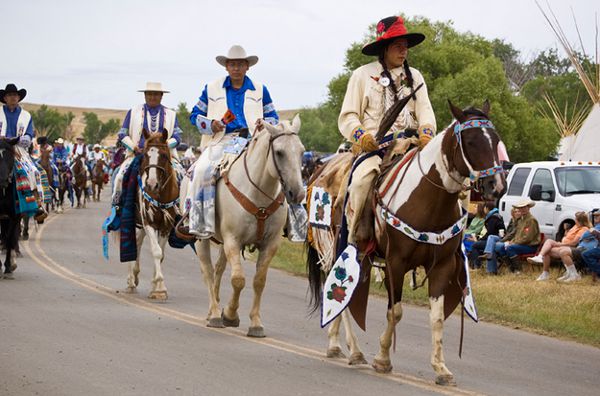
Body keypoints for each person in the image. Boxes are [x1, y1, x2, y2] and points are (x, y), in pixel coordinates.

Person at [338, 16, 436, 247]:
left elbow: (426, 111)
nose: (404, 52)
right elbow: (348, 114)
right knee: (362, 182)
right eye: (398, 47)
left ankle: (444, 243)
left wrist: (426, 133)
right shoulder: (362, 75)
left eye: (406, 47)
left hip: (410, 146)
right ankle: (355, 239)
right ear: (384, 48)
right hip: (375, 149)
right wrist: (363, 137)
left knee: (444, 178)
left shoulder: (416, 77)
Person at [185, 45, 279, 238]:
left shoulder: (261, 90)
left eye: (240, 64)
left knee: (280, 167)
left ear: (247, 67)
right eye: (232, 64)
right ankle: (195, 220)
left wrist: (264, 123)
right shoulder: (211, 88)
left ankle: (289, 222)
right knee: (202, 170)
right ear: (226, 67)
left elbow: (274, 117)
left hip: (252, 139)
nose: (236, 68)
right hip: (221, 139)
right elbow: (194, 115)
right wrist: (211, 124)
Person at [111, 82, 182, 206]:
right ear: (144, 95)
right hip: (137, 154)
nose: (152, 97)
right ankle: (117, 210)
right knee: (119, 178)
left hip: (165, 157)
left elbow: (177, 137)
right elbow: (122, 134)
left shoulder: (171, 114)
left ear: (161, 96)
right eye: (149, 94)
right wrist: (134, 147)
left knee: (183, 177)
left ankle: (183, 211)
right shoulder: (133, 112)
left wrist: (164, 147)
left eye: (156, 94)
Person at [0, 83, 45, 220]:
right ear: (5, 98)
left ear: (19, 97)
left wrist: (19, 139)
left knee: (33, 171)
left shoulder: (26, 115)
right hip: (0, 146)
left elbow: (29, 135)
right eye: (9, 95)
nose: (12, 97)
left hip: (19, 149)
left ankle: (36, 204)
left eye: (14, 95)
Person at [483, 199, 541, 274]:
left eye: (524, 207)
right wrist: (503, 241)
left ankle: (517, 269)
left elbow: (527, 238)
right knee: (498, 246)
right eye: (521, 207)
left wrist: (513, 242)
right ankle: (509, 269)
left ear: (529, 208)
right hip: (521, 244)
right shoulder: (520, 220)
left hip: (530, 246)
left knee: (509, 247)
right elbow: (513, 234)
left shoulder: (531, 220)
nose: (522, 209)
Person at [533, 211, 590, 281]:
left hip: (572, 248)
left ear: (580, 221)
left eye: (576, 219)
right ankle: (545, 273)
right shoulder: (575, 226)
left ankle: (573, 274)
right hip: (564, 246)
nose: (575, 221)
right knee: (547, 249)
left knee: (549, 243)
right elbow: (568, 237)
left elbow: (574, 243)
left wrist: (560, 244)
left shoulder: (583, 229)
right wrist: (565, 233)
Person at [467, 202, 505, 269]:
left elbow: (490, 233)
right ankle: (475, 264)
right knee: (476, 244)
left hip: (492, 240)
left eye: (484, 208)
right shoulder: (495, 216)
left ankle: (476, 266)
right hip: (492, 238)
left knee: (475, 245)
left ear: (487, 208)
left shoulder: (493, 218)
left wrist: (478, 239)